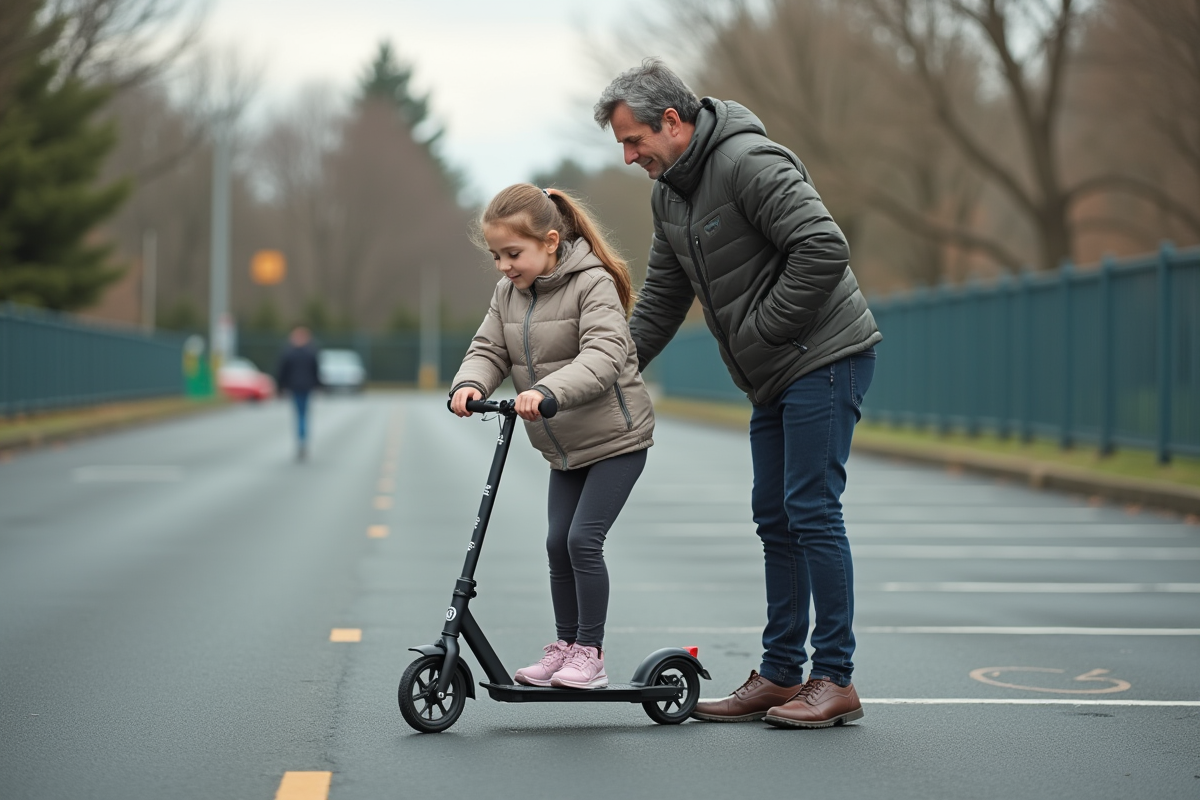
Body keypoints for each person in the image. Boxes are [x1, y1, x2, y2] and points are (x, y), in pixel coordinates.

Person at [594, 59, 882, 728]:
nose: (630, 156)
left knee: (811, 509)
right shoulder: (669, 196)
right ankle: (782, 674)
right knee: (773, 517)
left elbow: (822, 246)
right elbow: (664, 298)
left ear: (672, 121)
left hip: (824, 355)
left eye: (634, 141)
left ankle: (834, 677)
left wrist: (761, 330)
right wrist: (611, 368)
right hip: (775, 371)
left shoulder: (748, 162)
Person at [449, 184, 654, 690]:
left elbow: (604, 355)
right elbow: (488, 347)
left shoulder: (592, 283)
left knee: (583, 540)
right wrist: (471, 382)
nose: (503, 266)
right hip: (563, 447)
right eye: (497, 255)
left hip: (616, 441)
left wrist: (545, 390)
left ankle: (591, 653)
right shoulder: (508, 294)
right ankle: (565, 648)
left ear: (552, 242)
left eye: (513, 254)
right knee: (556, 544)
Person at [275, 326, 322, 461]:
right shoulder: (310, 352)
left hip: (295, 387)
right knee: (304, 414)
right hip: (305, 387)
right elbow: (316, 371)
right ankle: (303, 441)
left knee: (299, 415)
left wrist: (280, 387)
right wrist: (318, 386)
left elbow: (282, 371)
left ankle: (301, 441)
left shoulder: (289, 352)